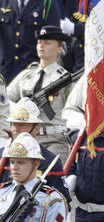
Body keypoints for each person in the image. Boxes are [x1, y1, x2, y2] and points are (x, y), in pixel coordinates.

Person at [7, 25, 75, 161]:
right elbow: (5, 99)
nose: (41, 46)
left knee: (53, 172)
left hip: (54, 140)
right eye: (39, 42)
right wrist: (22, 108)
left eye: (47, 43)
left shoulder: (65, 79)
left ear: (60, 48)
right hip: (24, 138)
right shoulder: (27, 75)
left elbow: (75, 107)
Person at [0, 0, 60, 83]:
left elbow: (52, 41)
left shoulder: (47, 3)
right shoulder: (2, 1)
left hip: (32, 74)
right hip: (4, 73)